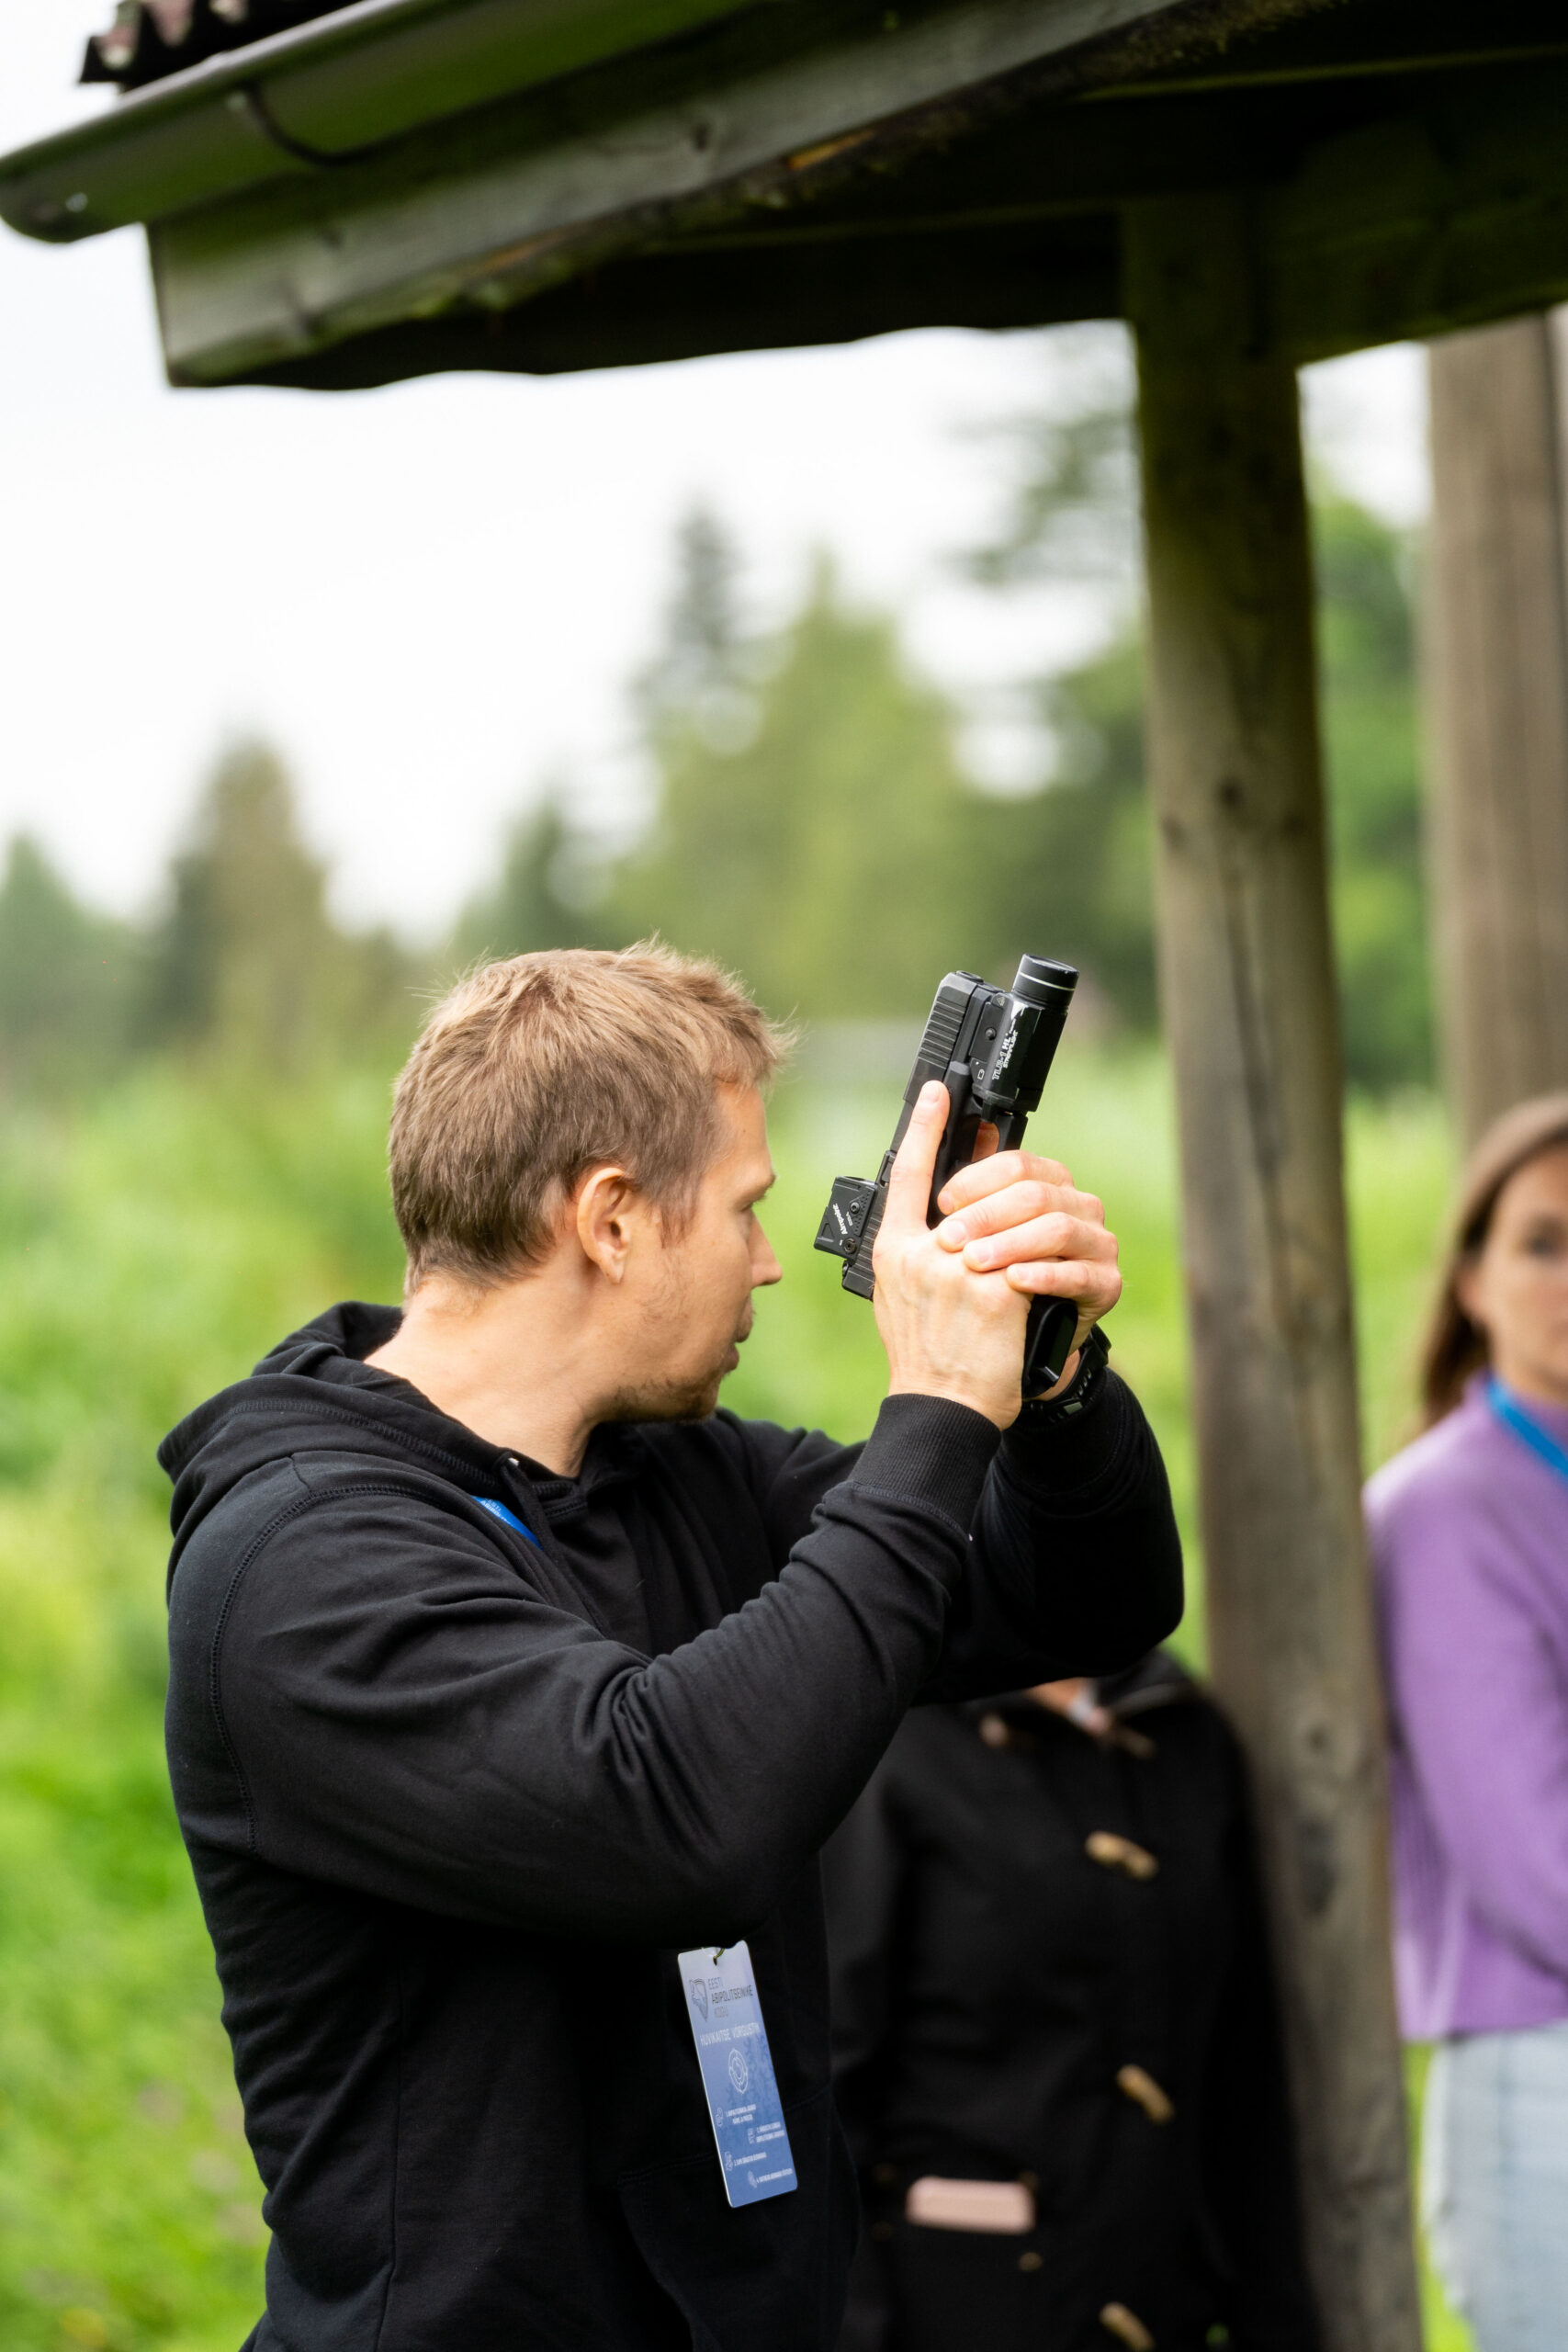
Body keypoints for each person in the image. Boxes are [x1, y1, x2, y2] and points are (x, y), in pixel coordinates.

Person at [159, 944, 1181, 2352]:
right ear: (613, 1221)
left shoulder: (677, 1476)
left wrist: (1048, 1380)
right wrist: (937, 1407)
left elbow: (1083, 1600)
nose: (766, 1259)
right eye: (744, 1208)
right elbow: (669, 1817)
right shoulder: (301, 1563)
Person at [823, 1654, 1320, 2352]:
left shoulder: (1183, 1729)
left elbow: (1242, 2081)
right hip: (958, 2311)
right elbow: (817, 2087)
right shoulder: (878, 1736)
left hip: (1163, 2308)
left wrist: (1275, 2325)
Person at [1367, 1091, 1568, 2352]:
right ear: (1472, 1282)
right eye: (1542, 1242)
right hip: (1539, 2075)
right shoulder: (1443, 1507)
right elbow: (1534, 1868)